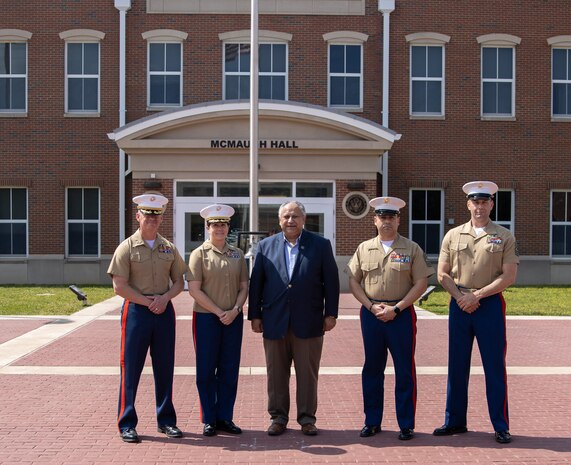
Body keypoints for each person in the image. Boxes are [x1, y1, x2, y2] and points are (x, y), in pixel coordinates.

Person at [433, 181, 519, 444]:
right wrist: (461, 297)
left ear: (492, 204)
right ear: (468, 204)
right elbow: (442, 273)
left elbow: (509, 276)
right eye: (475, 202)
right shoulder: (453, 235)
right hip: (459, 304)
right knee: (457, 365)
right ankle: (455, 421)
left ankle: (500, 425)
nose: (480, 207)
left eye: (485, 202)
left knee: (494, 366)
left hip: (489, 305)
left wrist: (477, 295)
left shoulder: (504, 236)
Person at [248, 200, 340, 436]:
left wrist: (331, 314)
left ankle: (307, 418)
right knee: (276, 374)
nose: (290, 221)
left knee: (307, 374)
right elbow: (256, 283)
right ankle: (278, 417)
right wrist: (254, 316)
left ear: (303, 219)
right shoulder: (265, 246)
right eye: (286, 217)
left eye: (295, 216)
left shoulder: (320, 245)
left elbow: (331, 281)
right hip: (274, 320)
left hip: (309, 320)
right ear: (279, 221)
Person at [346, 196, 434, 440]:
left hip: (401, 315)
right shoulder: (364, 248)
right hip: (371, 314)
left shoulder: (412, 248)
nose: (386, 221)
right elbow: (354, 280)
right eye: (382, 217)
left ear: (398, 220)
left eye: (391, 217)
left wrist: (398, 309)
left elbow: (421, 282)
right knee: (372, 368)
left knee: (404, 370)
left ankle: (406, 424)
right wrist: (370, 307)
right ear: (375, 220)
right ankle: (372, 421)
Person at [107, 193, 188, 443]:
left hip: (163, 312)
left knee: (165, 367)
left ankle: (166, 421)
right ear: (138, 216)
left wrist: (164, 299)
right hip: (137, 312)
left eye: (156, 215)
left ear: (161, 217)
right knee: (131, 368)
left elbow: (179, 281)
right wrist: (149, 302)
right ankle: (127, 423)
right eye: (147, 214)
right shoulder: (127, 247)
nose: (152, 219)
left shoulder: (168, 248)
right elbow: (119, 286)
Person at [187, 204, 248, 437]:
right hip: (206, 318)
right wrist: (217, 311)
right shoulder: (198, 254)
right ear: (208, 227)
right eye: (215, 225)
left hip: (233, 318)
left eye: (223, 225)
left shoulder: (237, 254)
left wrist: (234, 309)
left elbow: (244, 286)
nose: (219, 229)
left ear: (228, 227)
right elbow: (194, 289)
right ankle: (209, 418)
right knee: (205, 370)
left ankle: (225, 417)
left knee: (229, 369)